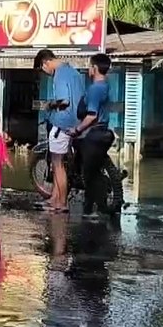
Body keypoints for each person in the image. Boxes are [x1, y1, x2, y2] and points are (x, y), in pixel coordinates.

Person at [34, 49, 85, 213]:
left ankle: (61, 203)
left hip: (62, 122)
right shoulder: (74, 73)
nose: (46, 73)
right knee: (59, 164)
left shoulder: (59, 75)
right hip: (76, 123)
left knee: (57, 165)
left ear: (45, 62)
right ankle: (54, 198)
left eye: (43, 69)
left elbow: (64, 101)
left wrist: (51, 105)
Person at [68, 53, 115, 216]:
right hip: (104, 132)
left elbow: (92, 115)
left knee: (89, 174)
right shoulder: (105, 85)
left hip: (94, 134)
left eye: (89, 66)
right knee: (89, 168)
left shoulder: (95, 88)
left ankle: (93, 209)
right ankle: (89, 207)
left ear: (94, 68)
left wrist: (77, 129)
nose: (88, 69)